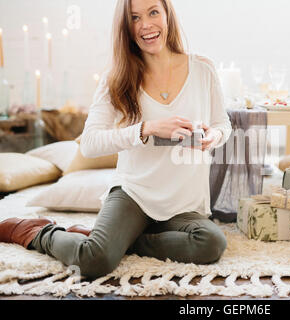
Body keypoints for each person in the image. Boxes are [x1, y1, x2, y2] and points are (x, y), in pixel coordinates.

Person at [0, 0, 232, 279]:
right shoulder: (117, 78)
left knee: (211, 243)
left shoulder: (203, 69)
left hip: (184, 203)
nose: (146, 24)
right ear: (126, 27)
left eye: (153, 12)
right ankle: (39, 232)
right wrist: (146, 128)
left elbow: (223, 124)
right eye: (135, 18)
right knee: (94, 260)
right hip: (134, 193)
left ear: (168, 15)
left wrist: (215, 136)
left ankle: (118, 241)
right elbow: (90, 142)